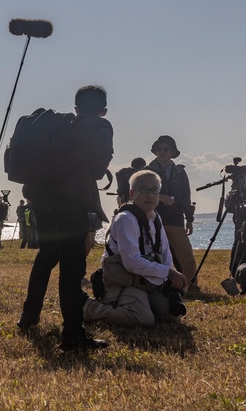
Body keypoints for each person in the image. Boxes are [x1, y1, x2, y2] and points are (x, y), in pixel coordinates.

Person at [17, 85, 113, 350]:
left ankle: (29, 316)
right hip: (72, 201)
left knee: (47, 255)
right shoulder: (100, 126)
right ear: (103, 110)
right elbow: (97, 168)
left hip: (42, 199)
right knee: (72, 268)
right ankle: (72, 334)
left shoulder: (59, 125)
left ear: (76, 107)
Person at [84, 170, 187, 328]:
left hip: (147, 282)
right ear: (132, 193)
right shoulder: (125, 219)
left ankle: (143, 302)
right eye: (144, 190)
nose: (150, 195)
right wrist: (168, 273)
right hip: (124, 282)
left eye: (154, 190)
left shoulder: (155, 217)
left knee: (171, 315)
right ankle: (89, 308)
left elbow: (165, 254)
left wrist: (171, 281)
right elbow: (131, 263)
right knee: (143, 319)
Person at [145, 136, 198, 289]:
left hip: (176, 219)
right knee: (153, 256)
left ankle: (192, 286)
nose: (162, 152)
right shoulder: (147, 171)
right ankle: (154, 286)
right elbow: (140, 193)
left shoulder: (180, 172)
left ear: (173, 152)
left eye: (166, 149)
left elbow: (186, 196)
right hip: (153, 219)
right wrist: (159, 197)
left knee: (186, 256)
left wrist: (189, 219)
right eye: (159, 149)